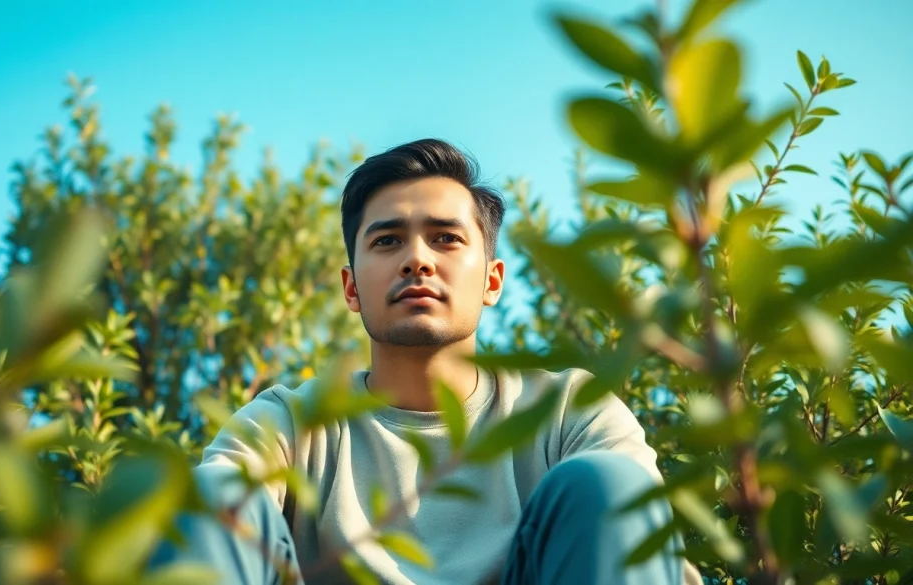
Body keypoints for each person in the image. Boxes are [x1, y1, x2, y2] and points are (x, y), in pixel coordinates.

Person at [151, 138, 702, 584]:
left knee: (606, 484)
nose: (417, 259)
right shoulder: (292, 424)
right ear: (351, 288)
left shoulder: (567, 412)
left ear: (491, 281)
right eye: (388, 241)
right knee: (211, 495)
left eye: (445, 238)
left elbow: (649, 552)